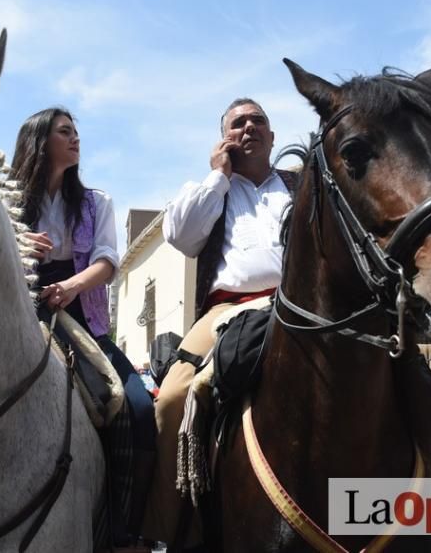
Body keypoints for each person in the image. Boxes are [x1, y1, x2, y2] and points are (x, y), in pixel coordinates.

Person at [143, 98, 297, 545]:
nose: (249, 127)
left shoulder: (302, 184)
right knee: (171, 399)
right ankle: (172, 530)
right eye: (238, 122)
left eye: (258, 121)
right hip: (227, 311)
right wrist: (219, 175)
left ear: (271, 135)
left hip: (300, 308)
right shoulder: (211, 186)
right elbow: (183, 237)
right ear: (224, 137)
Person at [10, 107, 154, 547]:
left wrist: (71, 286)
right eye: (64, 132)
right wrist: (15, 243)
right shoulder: (5, 200)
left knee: (140, 409)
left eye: (76, 133)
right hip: (16, 313)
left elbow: (108, 262)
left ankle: (125, 531)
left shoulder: (97, 202)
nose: (75, 139)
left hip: (81, 319)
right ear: (39, 141)